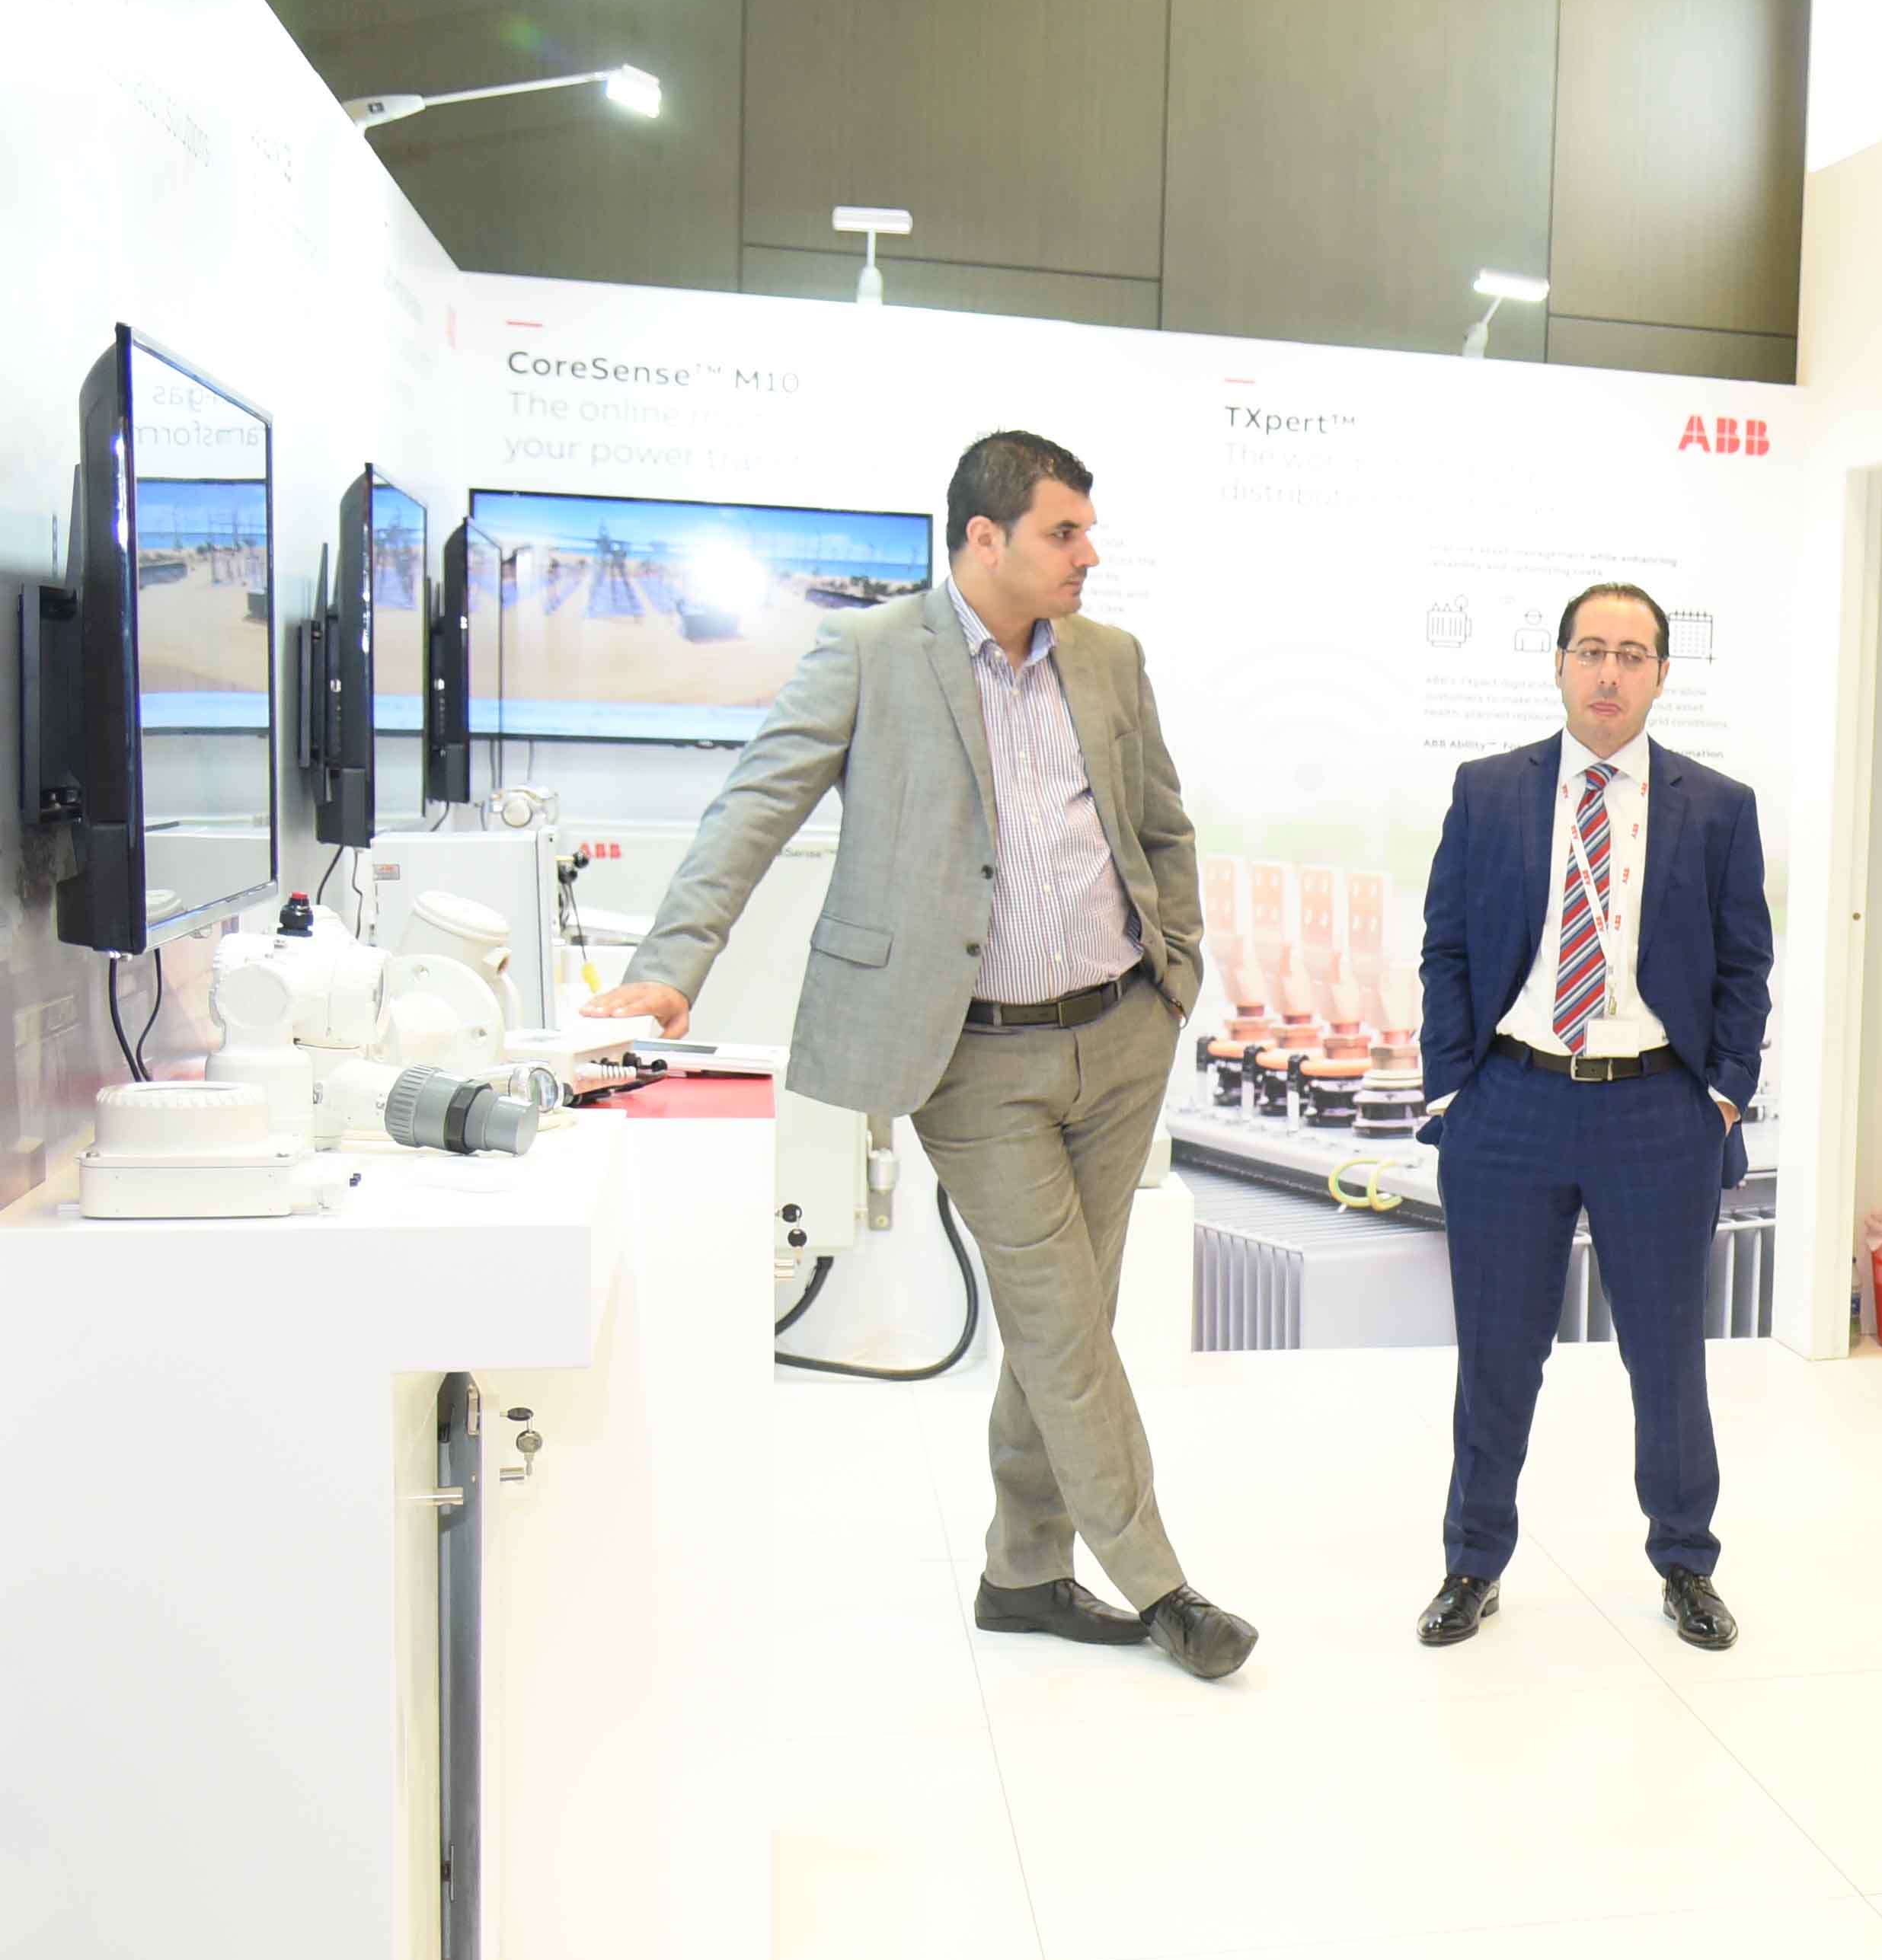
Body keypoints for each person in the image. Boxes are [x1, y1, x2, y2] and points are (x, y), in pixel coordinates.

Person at [595, 431, 1252, 1681]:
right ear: (984, 538)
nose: (1089, 554)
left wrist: (1174, 967)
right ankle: (1161, 1587)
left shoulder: (1109, 658)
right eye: (1065, 532)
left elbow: (1159, 824)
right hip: (974, 1059)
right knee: (1063, 1327)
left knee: (1072, 1320)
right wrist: (674, 963)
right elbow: (755, 806)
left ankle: (1024, 1570)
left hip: (1121, 1036)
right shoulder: (867, 652)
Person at [1413, 583, 1774, 1655]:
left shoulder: (1718, 806)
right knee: (1497, 1353)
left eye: (1631, 654)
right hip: (1510, 1102)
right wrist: (1452, 1088)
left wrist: (1722, 1094)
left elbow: (1746, 965)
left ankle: (1687, 1562)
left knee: (1667, 1357)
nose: (1608, 673)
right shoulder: (1488, 791)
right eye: (1590, 650)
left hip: (1658, 1110)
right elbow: (1446, 946)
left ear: (1661, 673)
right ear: (1561, 663)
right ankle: (1472, 1562)